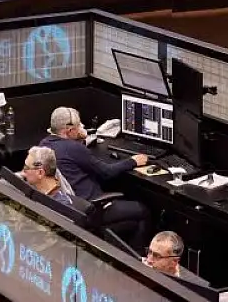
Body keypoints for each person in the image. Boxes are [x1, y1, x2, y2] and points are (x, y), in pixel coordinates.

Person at [40, 107, 150, 249]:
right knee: (143, 210)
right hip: (92, 207)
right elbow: (107, 172)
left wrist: (79, 139)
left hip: (70, 207)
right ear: (70, 130)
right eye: (79, 125)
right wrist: (133, 161)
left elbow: (70, 155)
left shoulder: (44, 145)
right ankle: (136, 260)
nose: (82, 127)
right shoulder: (73, 148)